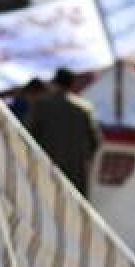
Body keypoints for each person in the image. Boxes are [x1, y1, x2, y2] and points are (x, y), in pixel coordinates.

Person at [25, 68, 102, 197]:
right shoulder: (83, 108)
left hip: (47, 169)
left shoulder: (41, 105)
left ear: (55, 83)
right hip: (76, 173)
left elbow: (28, 135)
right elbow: (95, 141)